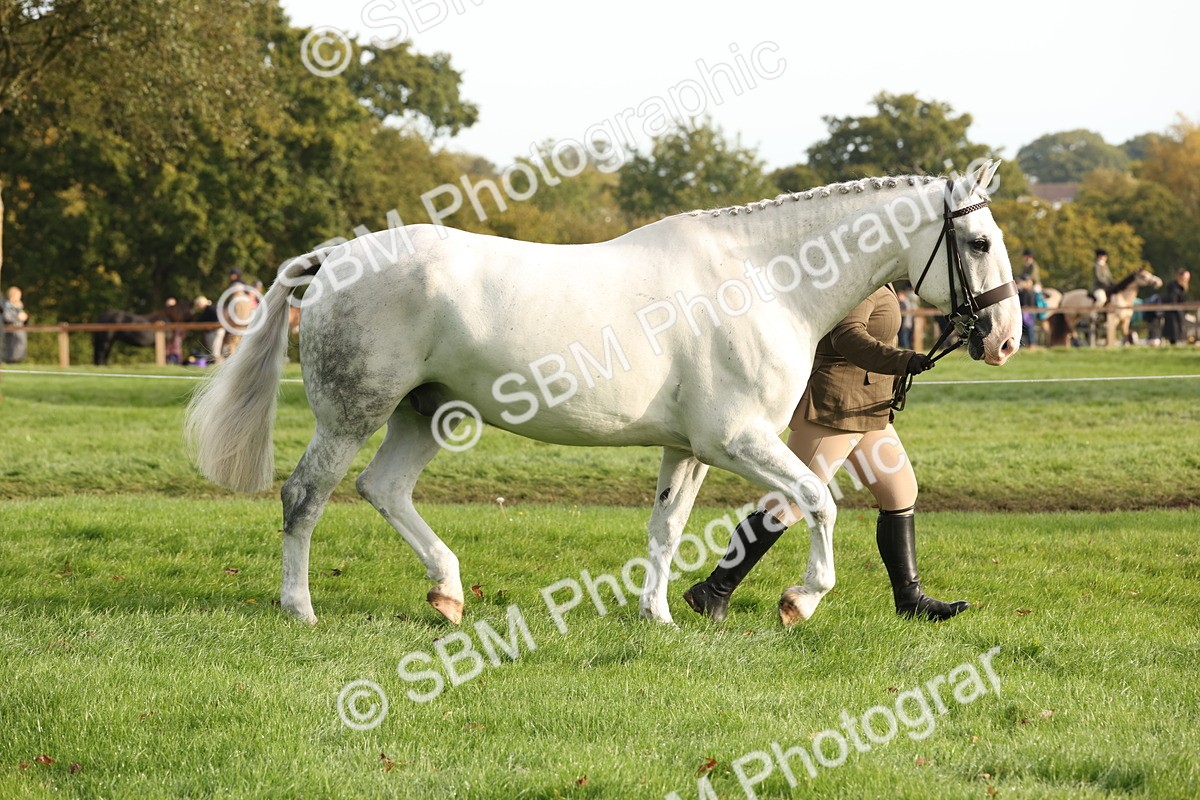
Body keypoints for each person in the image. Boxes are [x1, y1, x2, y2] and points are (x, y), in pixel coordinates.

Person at [683, 285, 968, 624]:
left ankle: (909, 599)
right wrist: (901, 360)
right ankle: (714, 590)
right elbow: (846, 337)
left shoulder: (884, 282)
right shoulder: (863, 284)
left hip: (867, 407)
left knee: (900, 490)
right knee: (790, 503)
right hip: (836, 406)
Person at [1162, 269, 1191, 345]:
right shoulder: (1173, 287)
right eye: (1185, 278)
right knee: (1174, 335)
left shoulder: (1182, 287)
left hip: (1179, 313)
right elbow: (1173, 300)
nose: (1186, 280)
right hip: (1173, 314)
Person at [2, 286, 29, 363]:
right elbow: (6, 318)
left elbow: (24, 321)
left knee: (20, 348)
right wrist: (17, 317)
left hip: (20, 332)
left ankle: (17, 360)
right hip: (11, 333)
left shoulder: (18, 307)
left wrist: (26, 318)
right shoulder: (6, 306)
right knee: (12, 349)